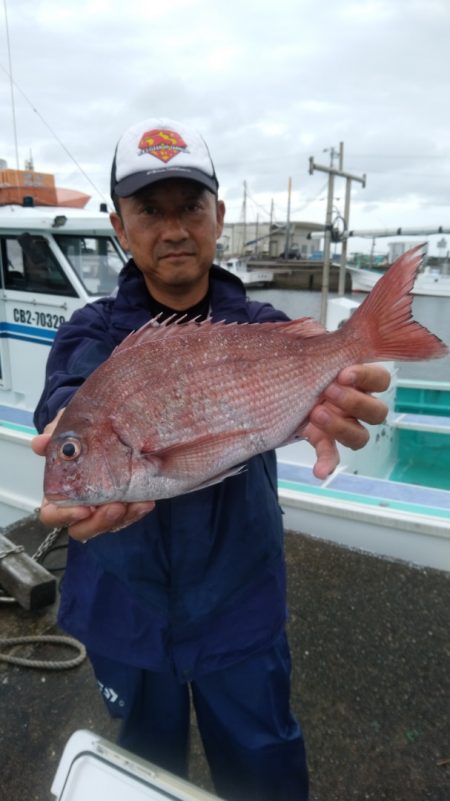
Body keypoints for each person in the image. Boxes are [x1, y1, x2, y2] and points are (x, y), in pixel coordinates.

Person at [32, 117, 390, 801]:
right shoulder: (89, 333)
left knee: (264, 772)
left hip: (241, 607)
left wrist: (335, 372)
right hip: (124, 615)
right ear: (118, 226)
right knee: (139, 771)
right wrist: (67, 440)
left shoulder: (260, 330)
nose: (173, 228)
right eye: (149, 210)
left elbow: (299, 389)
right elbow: (70, 398)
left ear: (219, 216)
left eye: (190, 207)